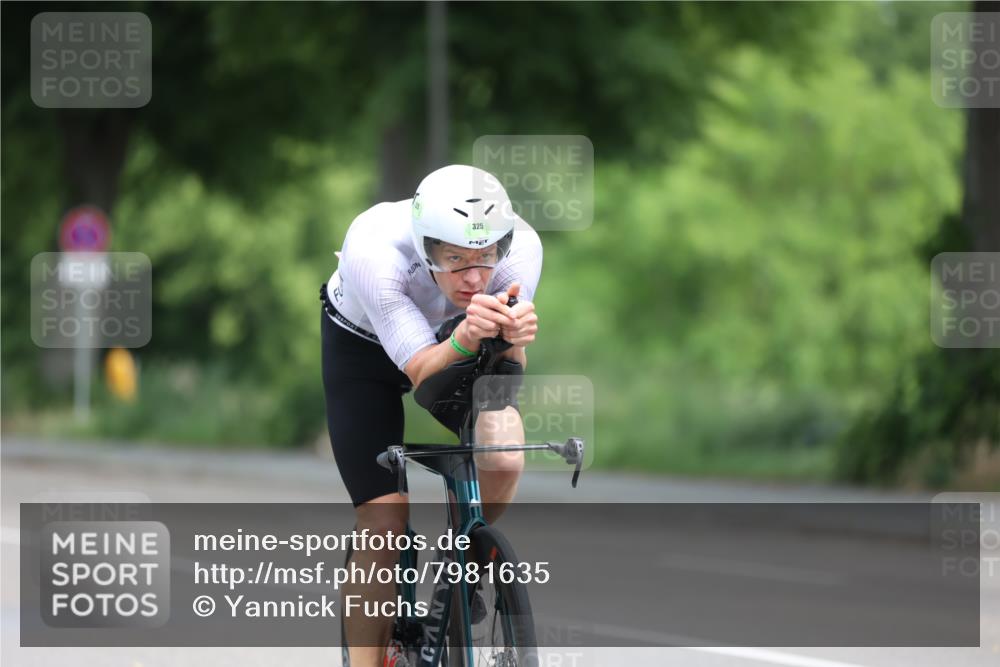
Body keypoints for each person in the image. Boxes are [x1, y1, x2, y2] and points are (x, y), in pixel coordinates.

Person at [320, 164, 542, 667]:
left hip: (451, 333)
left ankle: (463, 564)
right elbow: (422, 369)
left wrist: (513, 339)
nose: (473, 276)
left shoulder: (522, 248)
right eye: (455, 259)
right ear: (425, 249)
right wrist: (466, 336)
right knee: (384, 523)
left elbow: (502, 379)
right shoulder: (375, 252)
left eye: (485, 258)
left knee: (503, 455)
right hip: (364, 347)